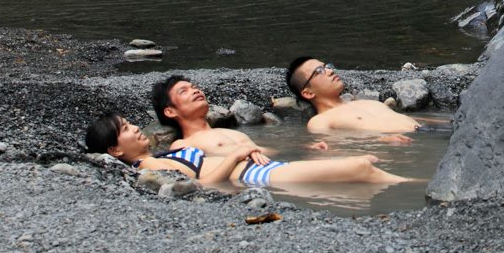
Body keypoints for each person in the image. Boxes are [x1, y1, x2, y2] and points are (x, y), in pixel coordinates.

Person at [85, 112, 406, 187]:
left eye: (130, 123)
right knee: (361, 168)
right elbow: (203, 185)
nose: (136, 128)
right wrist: (236, 156)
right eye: (126, 129)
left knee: (364, 170)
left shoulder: (159, 158)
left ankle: (415, 187)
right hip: (255, 177)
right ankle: (424, 191)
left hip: (257, 172)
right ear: (114, 150)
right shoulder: (148, 168)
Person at [152, 74, 330, 164]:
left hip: (273, 166)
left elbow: (262, 151)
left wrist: (303, 149)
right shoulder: (182, 144)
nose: (196, 90)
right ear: (169, 111)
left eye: (195, 87)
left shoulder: (228, 132)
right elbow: (197, 170)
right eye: (184, 91)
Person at [286, 56, 421, 138]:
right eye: (319, 71)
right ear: (308, 92)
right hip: (407, 143)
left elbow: (410, 120)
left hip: (429, 131)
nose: (330, 71)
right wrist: (380, 140)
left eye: (326, 66)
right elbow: (332, 153)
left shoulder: (366, 103)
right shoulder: (321, 121)